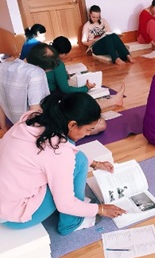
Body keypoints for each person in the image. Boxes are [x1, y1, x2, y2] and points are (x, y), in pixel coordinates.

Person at [0, 92, 126, 235]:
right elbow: (65, 204)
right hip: (13, 216)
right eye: (88, 129)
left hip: (5, 203)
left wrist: (95, 163)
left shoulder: (34, 118)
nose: (88, 134)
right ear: (72, 124)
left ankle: (74, 205)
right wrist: (100, 209)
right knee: (80, 162)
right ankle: (71, 223)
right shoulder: (59, 151)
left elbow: (60, 153)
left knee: (80, 159)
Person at [47, 36, 125, 134]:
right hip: (53, 106)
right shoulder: (56, 64)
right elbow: (65, 89)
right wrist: (85, 88)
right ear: (63, 53)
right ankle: (114, 101)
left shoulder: (44, 59)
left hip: (51, 104)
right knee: (100, 124)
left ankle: (113, 101)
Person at [0, 43, 58, 130]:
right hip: (29, 126)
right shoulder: (36, 73)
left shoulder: (4, 65)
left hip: (14, 121)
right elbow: (35, 110)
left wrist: (3, 125)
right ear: (40, 67)